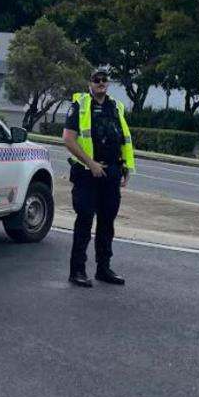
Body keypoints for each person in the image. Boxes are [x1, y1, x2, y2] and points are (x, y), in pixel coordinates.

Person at [62, 70, 135, 287]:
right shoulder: (80, 105)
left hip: (111, 172)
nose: (101, 83)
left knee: (107, 222)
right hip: (87, 173)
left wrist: (125, 169)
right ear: (90, 83)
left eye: (104, 80)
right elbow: (68, 139)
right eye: (97, 80)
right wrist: (90, 163)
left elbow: (123, 140)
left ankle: (104, 269)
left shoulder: (116, 107)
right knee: (85, 220)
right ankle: (77, 271)